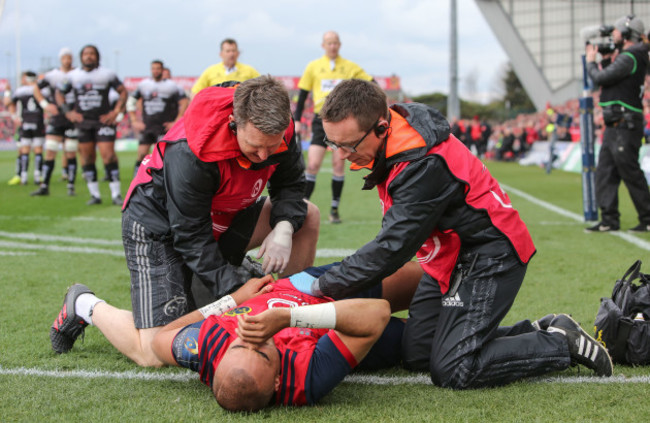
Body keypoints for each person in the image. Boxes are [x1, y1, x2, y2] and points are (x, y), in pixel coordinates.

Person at [288, 79, 613, 389]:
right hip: (452, 251)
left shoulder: (422, 163)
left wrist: (321, 286)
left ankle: (559, 342)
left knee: (455, 368)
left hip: (490, 251)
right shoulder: (394, 128)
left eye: (348, 144)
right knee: (419, 355)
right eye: (334, 144)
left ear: (382, 127)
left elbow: (391, 248)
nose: (341, 155)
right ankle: (537, 330)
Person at [116, 76, 319, 366]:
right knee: (155, 351)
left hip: (222, 217)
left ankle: (290, 311)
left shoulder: (281, 129)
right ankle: (84, 305)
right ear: (234, 121)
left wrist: (284, 228)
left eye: (271, 148)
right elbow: (189, 235)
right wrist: (237, 289)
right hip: (159, 226)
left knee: (306, 216)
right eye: (254, 146)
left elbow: (290, 183)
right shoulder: (191, 150)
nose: (263, 157)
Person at [49, 262, 423, 411]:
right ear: (277, 380)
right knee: (424, 345)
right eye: (261, 353)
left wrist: (235, 299)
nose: (253, 338)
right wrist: (290, 317)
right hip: (331, 315)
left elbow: (165, 334)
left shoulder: (207, 345)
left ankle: (84, 304)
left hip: (307, 283)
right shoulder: (304, 379)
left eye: (240, 344)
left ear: (218, 359)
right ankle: (84, 304)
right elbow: (376, 315)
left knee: (423, 275)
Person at [294, 31, 373, 224]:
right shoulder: (313, 67)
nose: (332, 46)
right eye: (329, 43)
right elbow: (303, 94)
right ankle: (302, 208)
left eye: (335, 42)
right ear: (323, 45)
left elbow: (371, 84)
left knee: (339, 165)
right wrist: (296, 120)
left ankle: (334, 210)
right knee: (312, 165)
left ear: (340, 44)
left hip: (342, 122)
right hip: (320, 120)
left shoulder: (350, 67)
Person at [585, 14, 650, 233]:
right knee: (605, 172)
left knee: (630, 172)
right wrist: (604, 60)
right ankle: (609, 220)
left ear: (626, 33)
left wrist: (591, 63)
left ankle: (647, 218)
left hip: (626, 124)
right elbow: (612, 82)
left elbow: (602, 79)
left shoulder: (631, 56)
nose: (613, 35)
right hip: (617, 124)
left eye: (616, 31)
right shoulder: (631, 56)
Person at [56, 44, 128, 205]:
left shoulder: (107, 74)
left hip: (103, 121)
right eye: (86, 54)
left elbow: (123, 91)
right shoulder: (73, 76)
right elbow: (59, 93)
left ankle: (116, 194)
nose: (89, 56)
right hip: (84, 122)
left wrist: (115, 112)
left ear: (97, 56)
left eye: (92, 54)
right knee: (87, 157)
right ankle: (95, 195)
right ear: (81, 57)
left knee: (108, 156)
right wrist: (68, 112)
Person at [30, 47, 79, 197]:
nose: (67, 59)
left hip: (72, 118)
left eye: (69, 57)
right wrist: (45, 105)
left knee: (70, 152)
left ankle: (71, 186)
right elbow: (36, 89)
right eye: (64, 57)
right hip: (57, 118)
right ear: (60, 59)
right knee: (50, 151)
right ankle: (44, 185)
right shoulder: (52, 75)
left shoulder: (78, 75)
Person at [127, 59, 188, 175]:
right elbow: (131, 102)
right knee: (141, 154)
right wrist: (134, 120)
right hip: (148, 126)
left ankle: (164, 179)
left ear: (162, 70)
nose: (155, 71)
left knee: (162, 156)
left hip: (163, 127)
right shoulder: (144, 85)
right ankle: (138, 178)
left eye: (158, 68)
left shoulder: (171, 86)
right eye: (153, 68)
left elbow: (184, 102)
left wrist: (176, 121)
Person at [5, 71, 46, 186]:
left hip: (25, 123)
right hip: (38, 122)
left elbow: (8, 102)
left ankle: (23, 177)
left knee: (24, 150)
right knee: (38, 150)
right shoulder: (40, 90)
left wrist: (7, 92)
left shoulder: (20, 91)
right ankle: (38, 176)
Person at [191, 38, 260, 97]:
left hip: (240, 109)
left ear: (238, 53)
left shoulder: (250, 71)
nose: (231, 54)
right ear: (221, 54)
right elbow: (195, 92)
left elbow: (263, 88)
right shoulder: (210, 71)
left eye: (233, 51)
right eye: (228, 51)